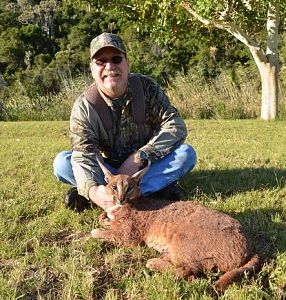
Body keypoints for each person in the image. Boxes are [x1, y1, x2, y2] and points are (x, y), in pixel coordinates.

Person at [53, 32, 197, 212]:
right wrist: (93, 190)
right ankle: (131, 194)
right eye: (101, 61)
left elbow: (175, 125)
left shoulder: (147, 89)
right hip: (108, 171)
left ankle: (126, 194)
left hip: (142, 169)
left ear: (127, 63)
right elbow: (84, 154)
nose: (109, 66)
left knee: (186, 154)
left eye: (116, 59)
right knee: (62, 163)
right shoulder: (85, 106)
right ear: (92, 68)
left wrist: (140, 156)